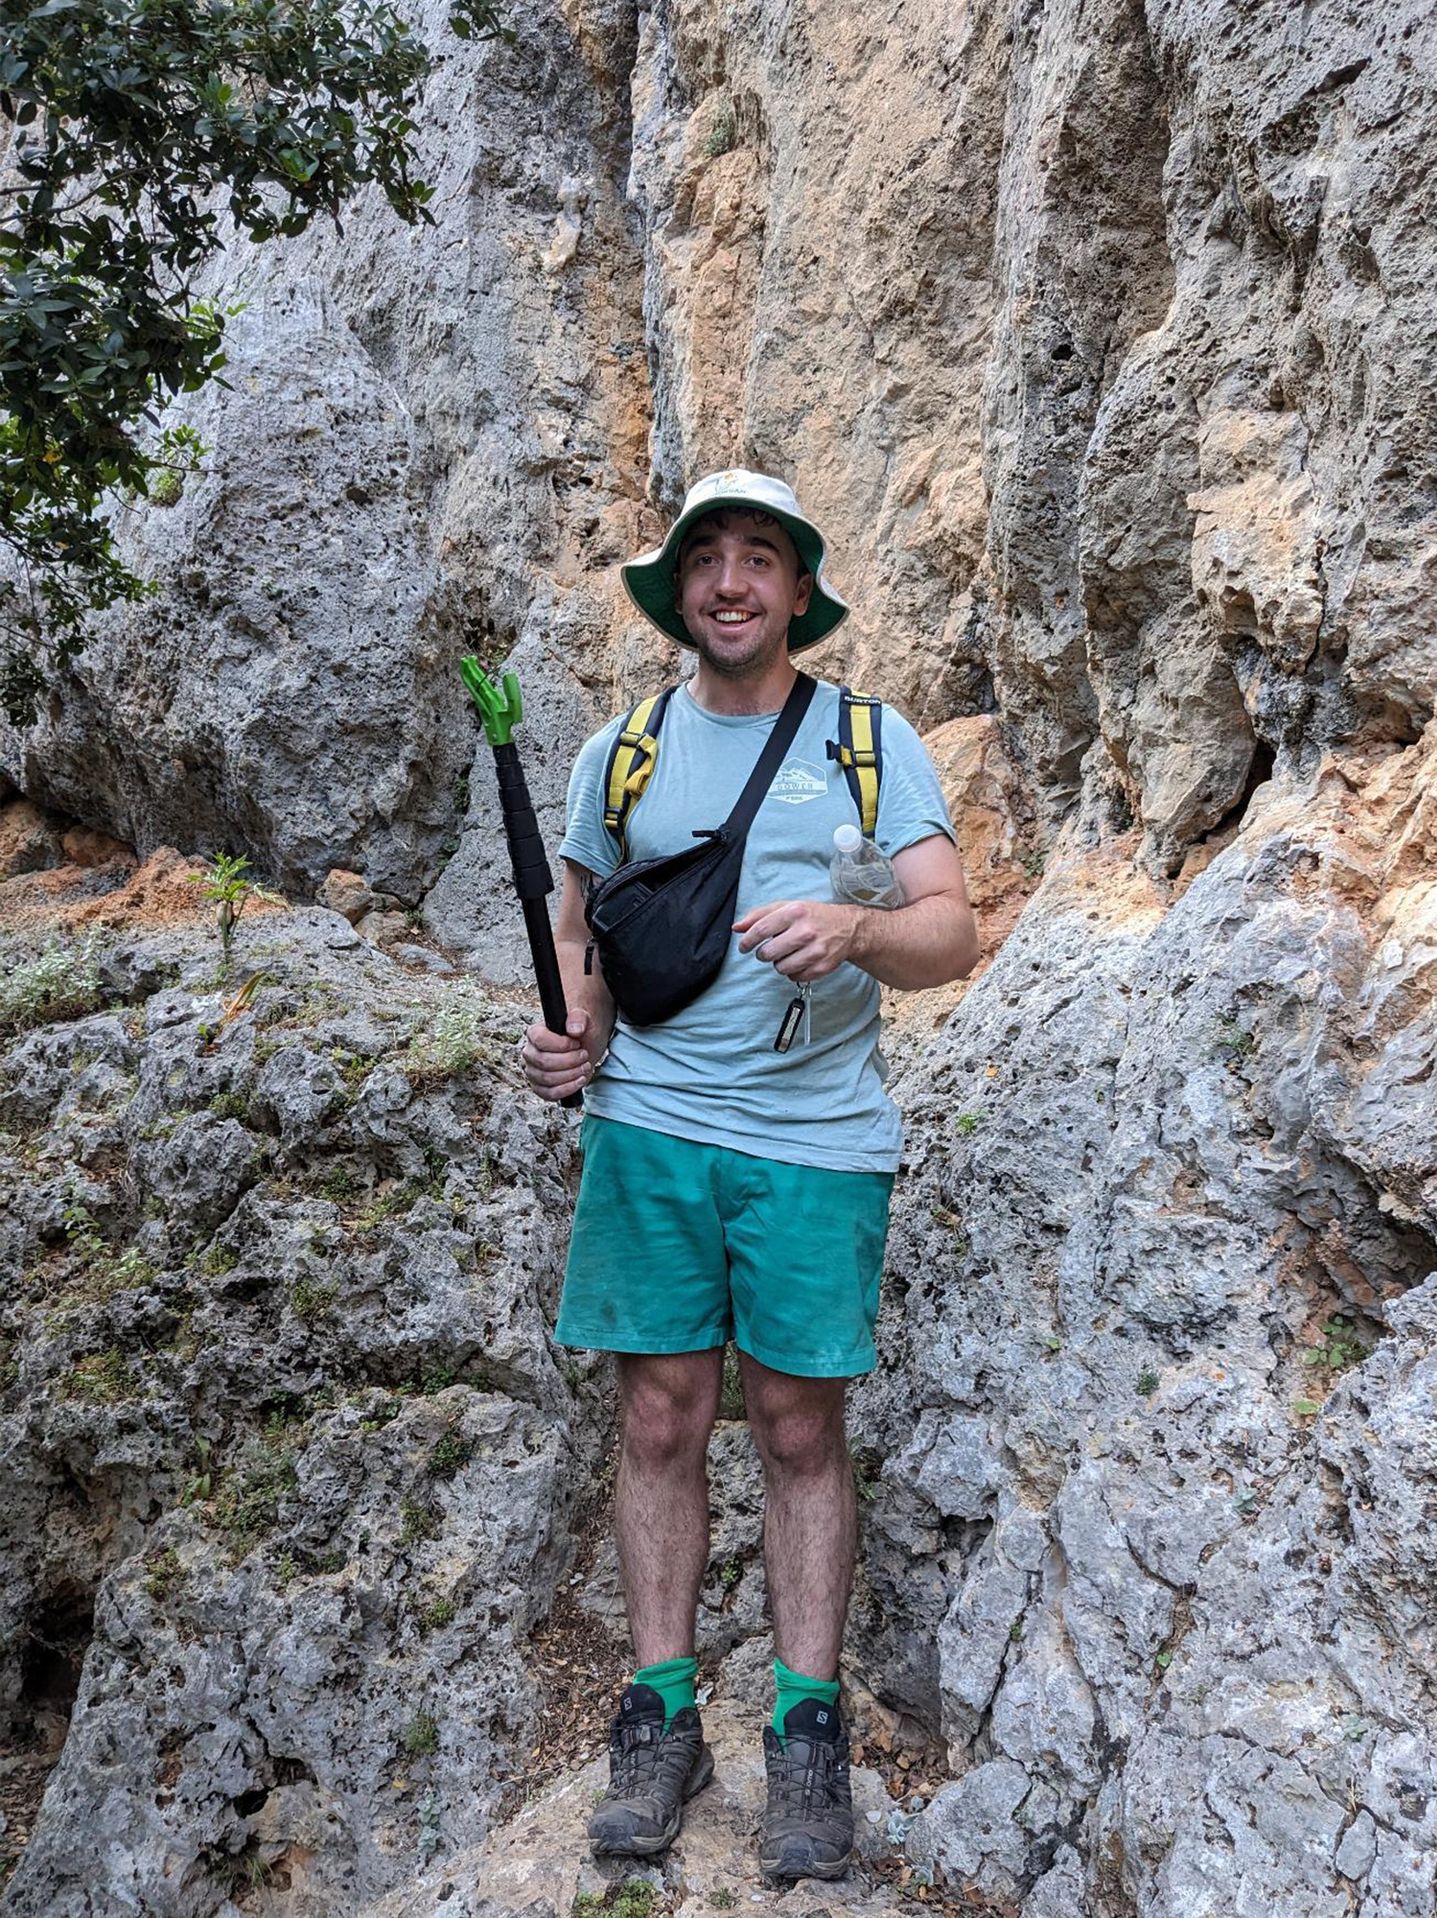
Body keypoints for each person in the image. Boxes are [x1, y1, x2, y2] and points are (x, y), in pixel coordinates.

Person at [521, 468, 980, 1881]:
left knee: (795, 1430)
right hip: (652, 1125)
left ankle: (803, 1728)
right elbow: (579, 917)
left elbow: (951, 929)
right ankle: (658, 1714)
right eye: (706, 558)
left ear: (795, 591)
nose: (730, 581)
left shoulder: (865, 739)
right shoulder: (626, 749)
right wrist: (569, 1024)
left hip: (815, 1137)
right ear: (679, 591)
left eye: (759, 557)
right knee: (659, 1417)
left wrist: (853, 929)